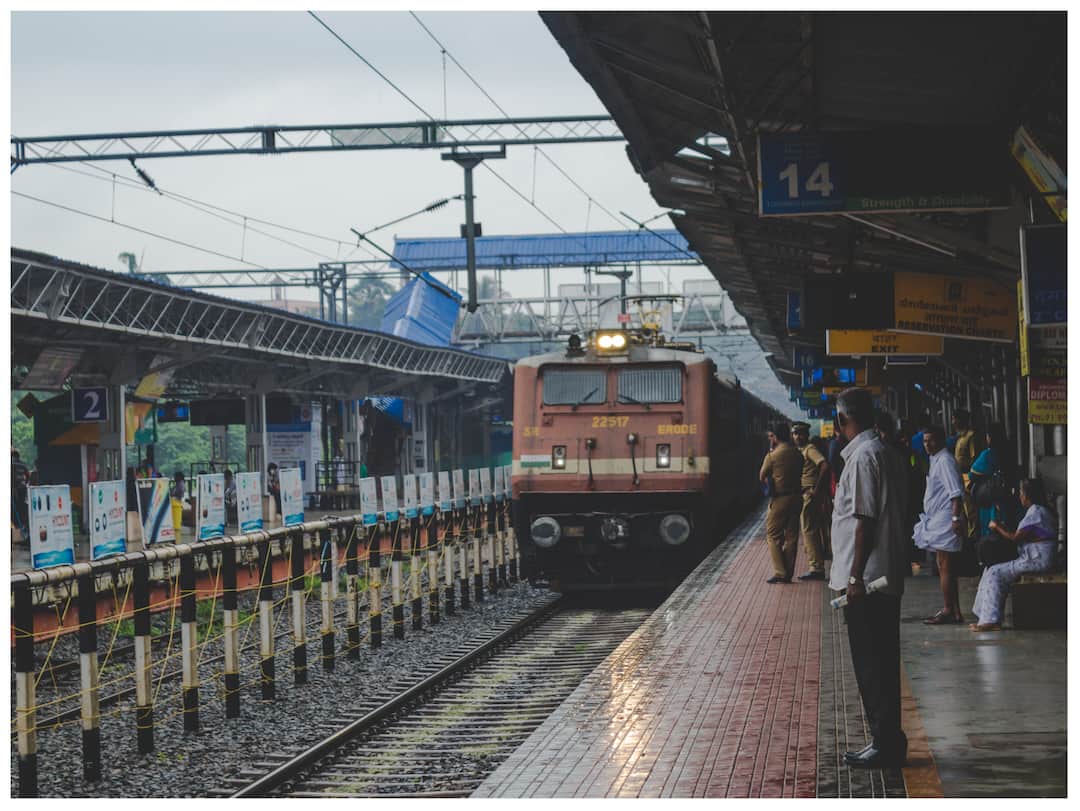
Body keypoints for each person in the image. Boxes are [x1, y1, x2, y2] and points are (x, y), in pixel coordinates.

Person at [830, 387, 909, 769]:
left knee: (871, 664)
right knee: (884, 661)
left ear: (842, 419)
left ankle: (884, 743)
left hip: (869, 581)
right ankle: (889, 739)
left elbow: (864, 520)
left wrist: (855, 577)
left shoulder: (863, 457)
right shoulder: (885, 452)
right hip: (884, 574)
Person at [970, 478, 1058, 631]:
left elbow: (1015, 538)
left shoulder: (1036, 511)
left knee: (995, 573)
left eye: (1021, 492)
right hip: (1035, 557)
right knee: (989, 569)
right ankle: (984, 616)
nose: (1020, 496)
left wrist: (997, 526)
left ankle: (991, 620)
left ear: (1028, 495)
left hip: (1037, 559)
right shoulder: (1040, 510)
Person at [913, 425, 967, 624]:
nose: (927, 445)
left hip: (946, 519)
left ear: (942, 440)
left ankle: (948, 609)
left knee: (945, 567)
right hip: (939, 518)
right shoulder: (935, 459)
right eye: (925, 441)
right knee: (947, 568)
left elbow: (956, 493)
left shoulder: (945, 460)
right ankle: (955, 611)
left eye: (931, 440)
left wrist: (955, 519)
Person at [758, 422, 803, 584]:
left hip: (780, 499)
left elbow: (762, 476)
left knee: (773, 535)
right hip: (797, 497)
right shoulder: (797, 454)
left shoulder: (772, 456)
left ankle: (780, 571)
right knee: (792, 536)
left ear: (776, 437)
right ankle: (788, 573)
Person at [791, 422, 829, 580]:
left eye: (800, 433)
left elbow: (824, 465)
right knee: (809, 529)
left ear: (806, 435)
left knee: (809, 530)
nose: (797, 437)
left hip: (809, 493)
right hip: (806, 493)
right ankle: (815, 565)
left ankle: (816, 568)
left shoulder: (810, 449)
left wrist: (816, 489)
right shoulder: (801, 450)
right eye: (795, 434)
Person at [967, 423, 1014, 538]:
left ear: (990, 437)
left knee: (990, 530)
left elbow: (972, 475)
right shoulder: (1010, 451)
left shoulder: (988, 454)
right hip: (1007, 495)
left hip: (990, 497)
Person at [11, 449, 31, 533]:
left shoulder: (12, 464)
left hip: (15, 488)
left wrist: (13, 488)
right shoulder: (23, 464)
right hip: (23, 488)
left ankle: (18, 525)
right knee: (22, 505)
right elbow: (28, 475)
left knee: (15, 506)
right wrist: (25, 483)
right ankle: (23, 523)